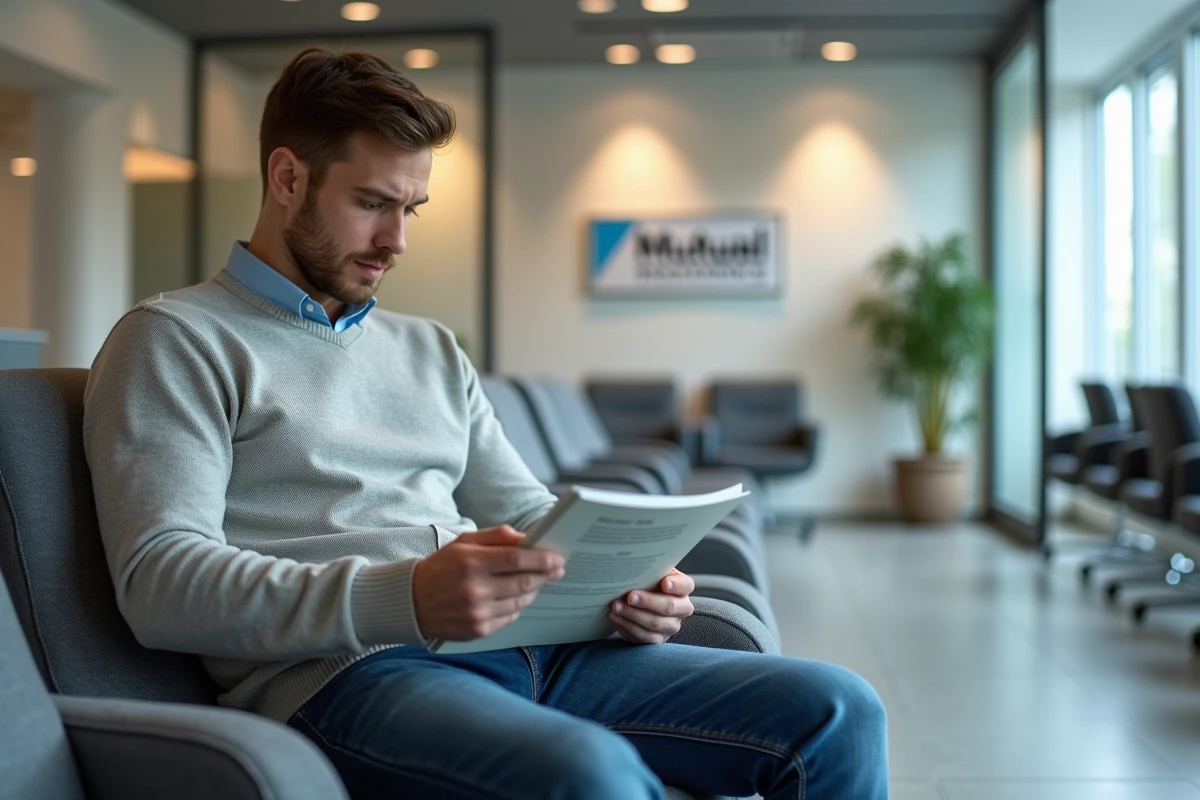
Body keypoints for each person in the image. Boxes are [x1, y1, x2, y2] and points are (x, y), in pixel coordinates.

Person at [83, 47, 888, 799]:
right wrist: (405, 597)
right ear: (287, 177)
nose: (395, 241)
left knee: (839, 710)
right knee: (589, 772)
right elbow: (161, 582)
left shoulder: (428, 348)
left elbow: (531, 511)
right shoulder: (176, 340)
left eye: (411, 209)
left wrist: (628, 580)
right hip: (350, 677)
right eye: (370, 204)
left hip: (533, 649)